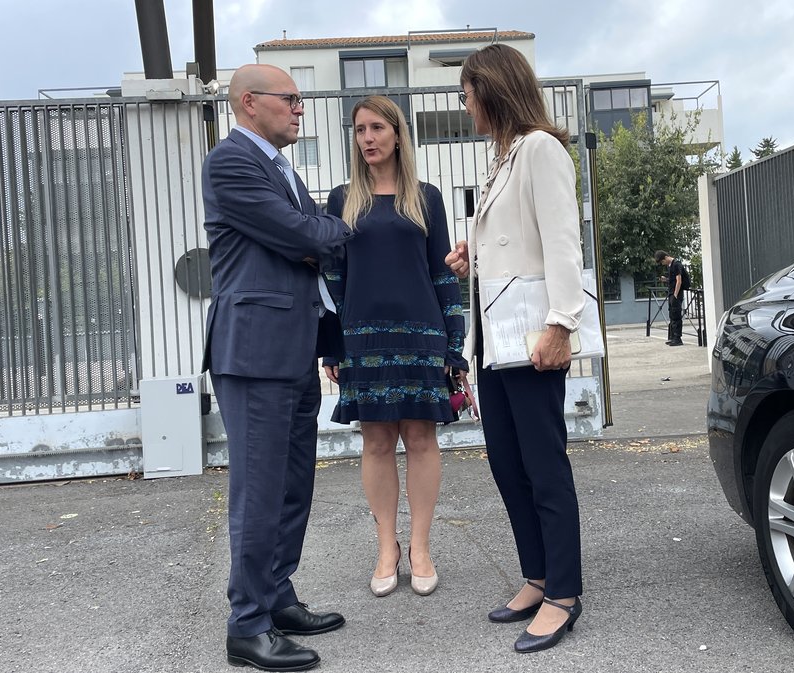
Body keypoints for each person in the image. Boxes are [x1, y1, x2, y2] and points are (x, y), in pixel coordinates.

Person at [201, 64, 352, 673]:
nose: (299, 108)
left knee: (293, 485)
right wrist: (340, 227)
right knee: (259, 491)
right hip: (254, 352)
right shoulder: (232, 162)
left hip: (291, 349)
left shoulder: (281, 168)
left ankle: (277, 595)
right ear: (247, 103)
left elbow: (309, 238)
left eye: (300, 99)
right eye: (288, 99)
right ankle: (247, 625)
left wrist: (320, 234)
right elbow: (299, 233)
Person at [444, 44, 585, 654]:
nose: (465, 104)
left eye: (467, 92)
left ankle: (565, 592)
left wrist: (562, 323)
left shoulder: (540, 149)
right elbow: (517, 242)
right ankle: (537, 575)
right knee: (506, 463)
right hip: (494, 341)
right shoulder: (499, 158)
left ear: (493, 89)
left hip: (532, 338)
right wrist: (472, 258)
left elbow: (562, 244)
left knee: (543, 466)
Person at [321, 96, 468, 598]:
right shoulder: (341, 199)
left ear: (398, 134)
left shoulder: (426, 197)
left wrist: (456, 344)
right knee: (377, 441)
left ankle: (421, 547)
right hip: (362, 338)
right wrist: (331, 347)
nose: (367, 137)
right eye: (360, 129)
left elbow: (442, 272)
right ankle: (388, 547)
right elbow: (332, 279)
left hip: (422, 335)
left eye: (377, 127)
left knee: (422, 440)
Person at [655, 250, 687, 346]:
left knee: (676, 314)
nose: (662, 264)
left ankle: (677, 338)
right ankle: (673, 337)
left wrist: (676, 294)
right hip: (672, 292)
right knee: (672, 314)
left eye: (662, 262)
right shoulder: (670, 266)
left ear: (665, 258)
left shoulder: (676, 264)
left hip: (675, 293)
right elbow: (673, 280)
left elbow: (679, 281)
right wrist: (666, 280)